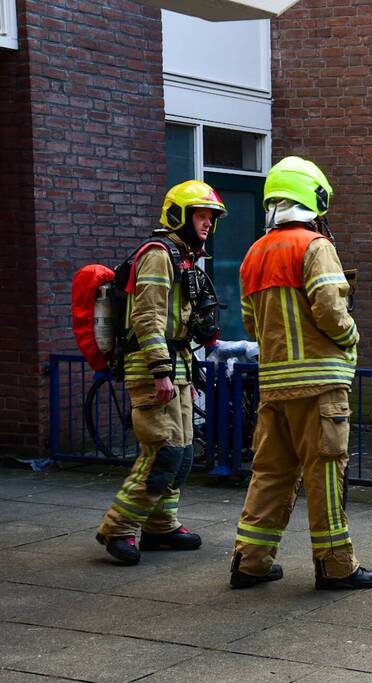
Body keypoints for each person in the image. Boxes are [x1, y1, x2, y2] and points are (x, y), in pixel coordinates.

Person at [229, 156, 372, 591]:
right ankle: (336, 565)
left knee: (271, 473)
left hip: (274, 385)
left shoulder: (254, 253)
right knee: (325, 472)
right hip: (320, 386)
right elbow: (332, 310)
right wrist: (352, 336)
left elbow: (250, 321)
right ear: (313, 199)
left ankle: (250, 562)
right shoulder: (315, 246)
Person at [96, 180, 226, 565]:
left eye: (211, 218)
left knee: (184, 453)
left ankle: (161, 525)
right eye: (202, 215)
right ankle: (118, 528)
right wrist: (160, 372)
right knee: (163, 453)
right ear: (179, 216)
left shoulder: (183, 257)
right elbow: (147, 317)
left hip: (179, 367)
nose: (208, 224)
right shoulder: (158, 253)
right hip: (155, 370)